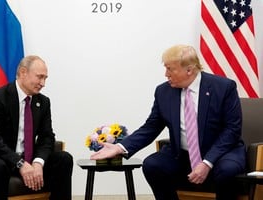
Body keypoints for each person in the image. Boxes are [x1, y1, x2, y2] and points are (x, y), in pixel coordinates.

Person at [91, 45, 246, 200]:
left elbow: (232, 130)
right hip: (183, 154)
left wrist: (207, 162)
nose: (166, 74)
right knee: (152, 165)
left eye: (170, 69)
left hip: (221, 153)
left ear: (189, 70)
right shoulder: (163, 91)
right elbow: (151, 126)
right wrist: (120, 147)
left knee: (228, 170)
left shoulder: (223, 87)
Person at [0, 55, 73, 200]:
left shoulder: (43, 102)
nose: (43, 83)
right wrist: (19, 163)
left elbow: (47, 136)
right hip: (0, 158)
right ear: (23, 73)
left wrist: (38, 163)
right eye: (40, 77)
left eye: (45, 78)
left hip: (29, 159)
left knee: (64, 159)